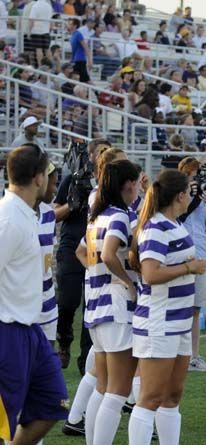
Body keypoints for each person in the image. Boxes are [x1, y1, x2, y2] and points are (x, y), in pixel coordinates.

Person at [127, 169, 206, 445]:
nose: (191, 196)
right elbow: (150, 274)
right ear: (181, 195)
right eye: (189, 191)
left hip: (180, 320)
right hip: (159, 321)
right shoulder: (156, 227)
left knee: (173, 396)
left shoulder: (176, 225)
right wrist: (189, 267)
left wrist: (189, 267)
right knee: (150, 397)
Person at [0, 145, 68, 444]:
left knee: (53, 404)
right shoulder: (8, 220)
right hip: (8, 331)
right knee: (3, 420)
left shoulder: (27, 214)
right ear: (39, 177)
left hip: (31, 330)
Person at [75, 160, 140, 444]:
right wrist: (127, 281)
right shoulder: (119, 216)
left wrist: (97, 276)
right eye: (137, 181)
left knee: (103, 388)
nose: (139, 186)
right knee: (117, 390)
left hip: (96, 304)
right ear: (128, 185)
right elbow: (109, 254)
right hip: (115, 307)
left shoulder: (96, 217)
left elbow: (80, 252)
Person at [54, 139, 109, 373]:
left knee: (92, 304)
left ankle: (86, 360)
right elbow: (54, 214)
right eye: (101, 152)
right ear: (90, 156)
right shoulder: (72, 179)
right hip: (71, 246)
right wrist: (71, 204)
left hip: (97, 248)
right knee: (68, 300)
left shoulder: (110, 185)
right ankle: (64, 340)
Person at [176, 158, 206, 372]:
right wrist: (190, 197)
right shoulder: (176, 195)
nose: (196, 179)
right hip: (179, 257)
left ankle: (194, 356)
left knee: (195, 309)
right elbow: (176, 219)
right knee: (179, 306)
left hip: (201, 256)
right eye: (193, 175)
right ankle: (178, 355)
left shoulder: (203, 198)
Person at [37, 162, 60, 345]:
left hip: (48, 304)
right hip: (22, 307)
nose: (54, 189)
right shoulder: (9, 215)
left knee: (47, 367)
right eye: (53, 183)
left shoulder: (49, 214)